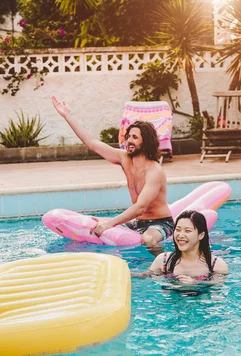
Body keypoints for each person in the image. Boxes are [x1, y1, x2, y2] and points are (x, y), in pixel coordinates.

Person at [51, 96, 173, 247]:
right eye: (128, 136)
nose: (129, 141)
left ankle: (161, 268)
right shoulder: (124, 158)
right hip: (138, 222)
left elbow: (140, 207)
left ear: (145, 142)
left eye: (135, 137)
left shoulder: (155, 171)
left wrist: (111, 223)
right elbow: (92, 143)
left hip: (160, 223)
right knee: (94, 229)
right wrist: (67, 116)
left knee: (148, 240)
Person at [131, 210, 228, 283]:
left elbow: (216, 295)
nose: (180, 235)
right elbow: (145, 276)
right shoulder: (163, 261)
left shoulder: (216, 265)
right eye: (178, 230)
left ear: (201, 235)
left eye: (187, 231)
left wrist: (196, 284)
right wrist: (127, 273)